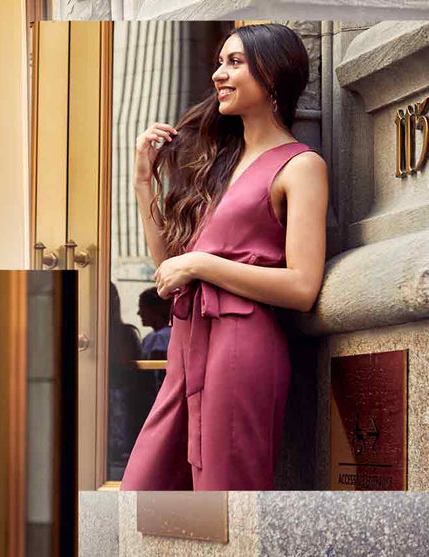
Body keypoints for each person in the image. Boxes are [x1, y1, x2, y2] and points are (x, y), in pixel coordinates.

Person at [120, 23, 329, 491]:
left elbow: (302, 287)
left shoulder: (301, 165)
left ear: (272, 77)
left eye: (234, 63)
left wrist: (200, 264)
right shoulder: (218, 165)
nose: (218, 74)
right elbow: (166, 270)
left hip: (242, 344)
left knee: (224, 499)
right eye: (219, 62)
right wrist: (142, 182)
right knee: (144, 491)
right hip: (187, 344)